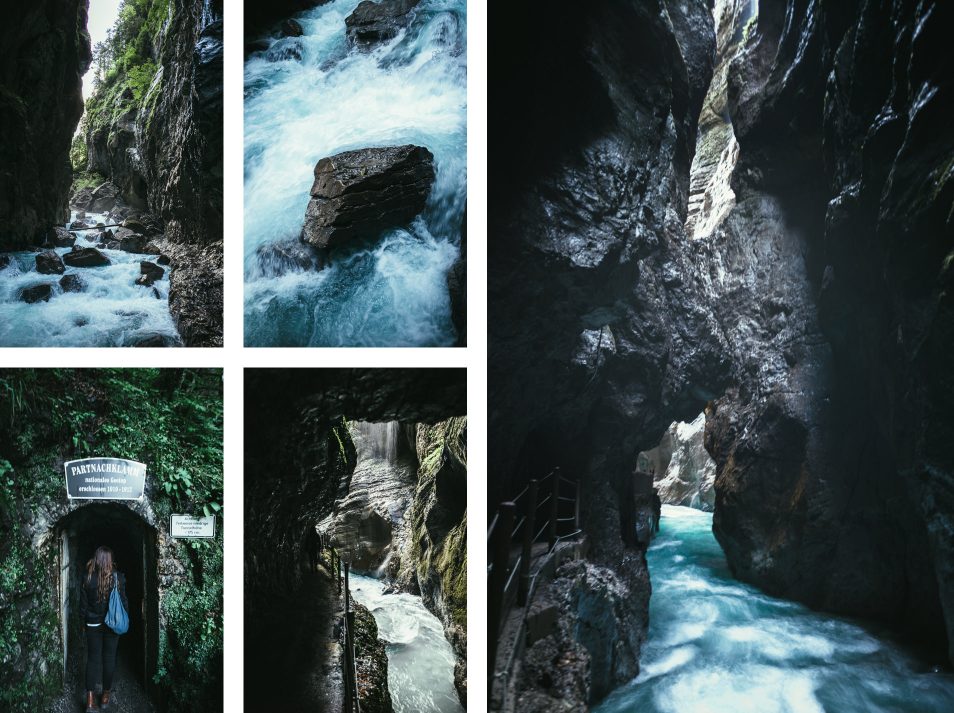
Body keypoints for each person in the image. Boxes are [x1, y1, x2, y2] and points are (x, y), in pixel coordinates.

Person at [79, 546, 128, 712]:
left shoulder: (87, 577)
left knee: (92, 659)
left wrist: (83, 623)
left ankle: (90, 699)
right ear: (110, 560)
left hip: (93, 624)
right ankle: (105, 696)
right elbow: (123, 602)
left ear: (96, 559)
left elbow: (83, 606)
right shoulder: (117, 578)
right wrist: (125, 618)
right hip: (112, 624)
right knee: (109, 658)